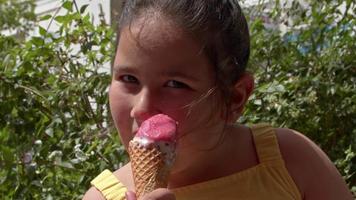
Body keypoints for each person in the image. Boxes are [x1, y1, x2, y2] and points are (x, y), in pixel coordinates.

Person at [83, 0, 353, 199]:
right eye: (128, 79)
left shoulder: (288, 159)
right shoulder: (104, 197)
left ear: (234, 98)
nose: (142, 108)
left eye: (175, 84)